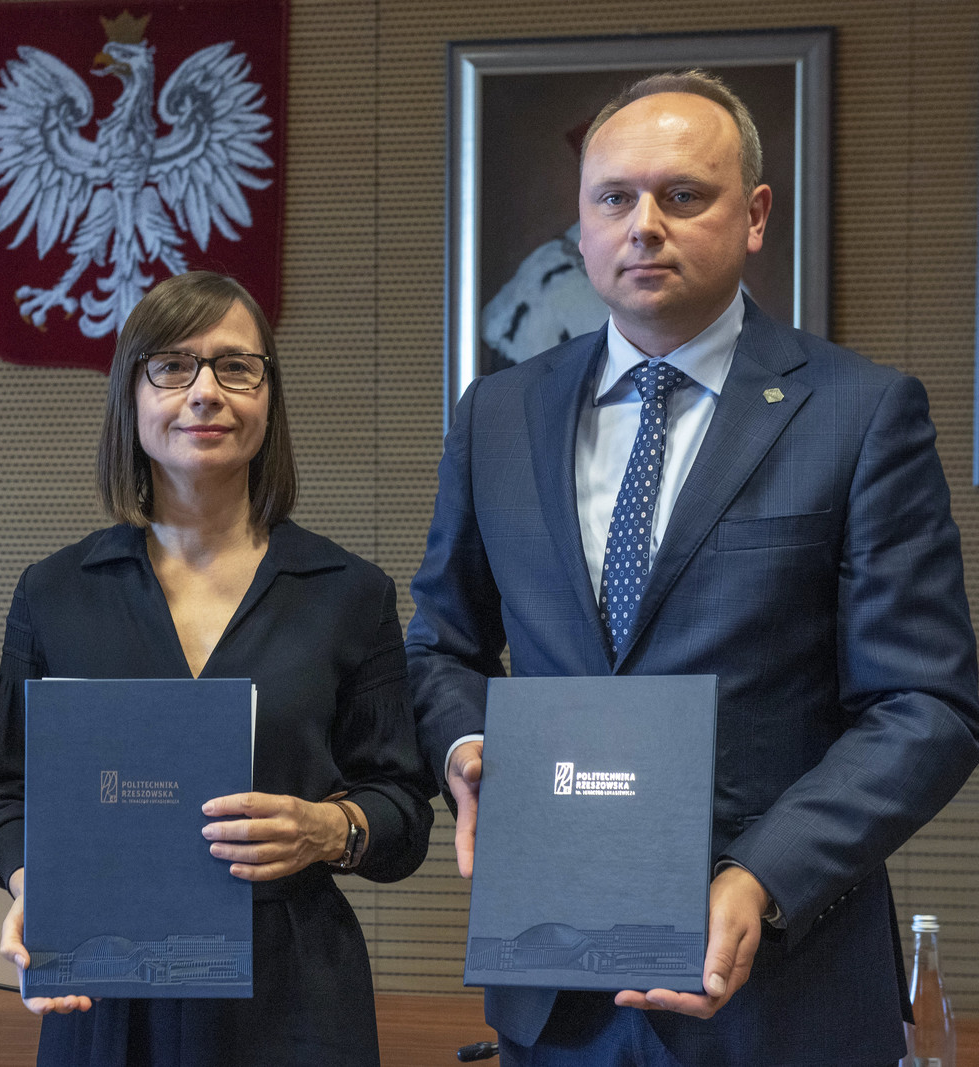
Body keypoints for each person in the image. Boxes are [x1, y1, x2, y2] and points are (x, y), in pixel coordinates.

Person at [407, 70, 979, 1066]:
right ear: (581, 221)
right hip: (556, 991)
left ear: (753, 215)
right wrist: (466, 750)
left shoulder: (860, 413)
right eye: (613, 198)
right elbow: (439, 646)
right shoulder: (495, 415)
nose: (644, 226)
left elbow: (925, 705)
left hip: (785, 990)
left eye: (682, 195)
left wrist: (763, 874)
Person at [0, 270, 435, 1066]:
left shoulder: (350, 593)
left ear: (269, 396)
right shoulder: (55, 593)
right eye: (172, 366)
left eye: (235, 366)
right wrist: (32, 882)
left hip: (293, 997)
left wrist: (328, 829)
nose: (205, 392)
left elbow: (404, 811)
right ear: (131, 395)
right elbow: (8, 800)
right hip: (105, 986)